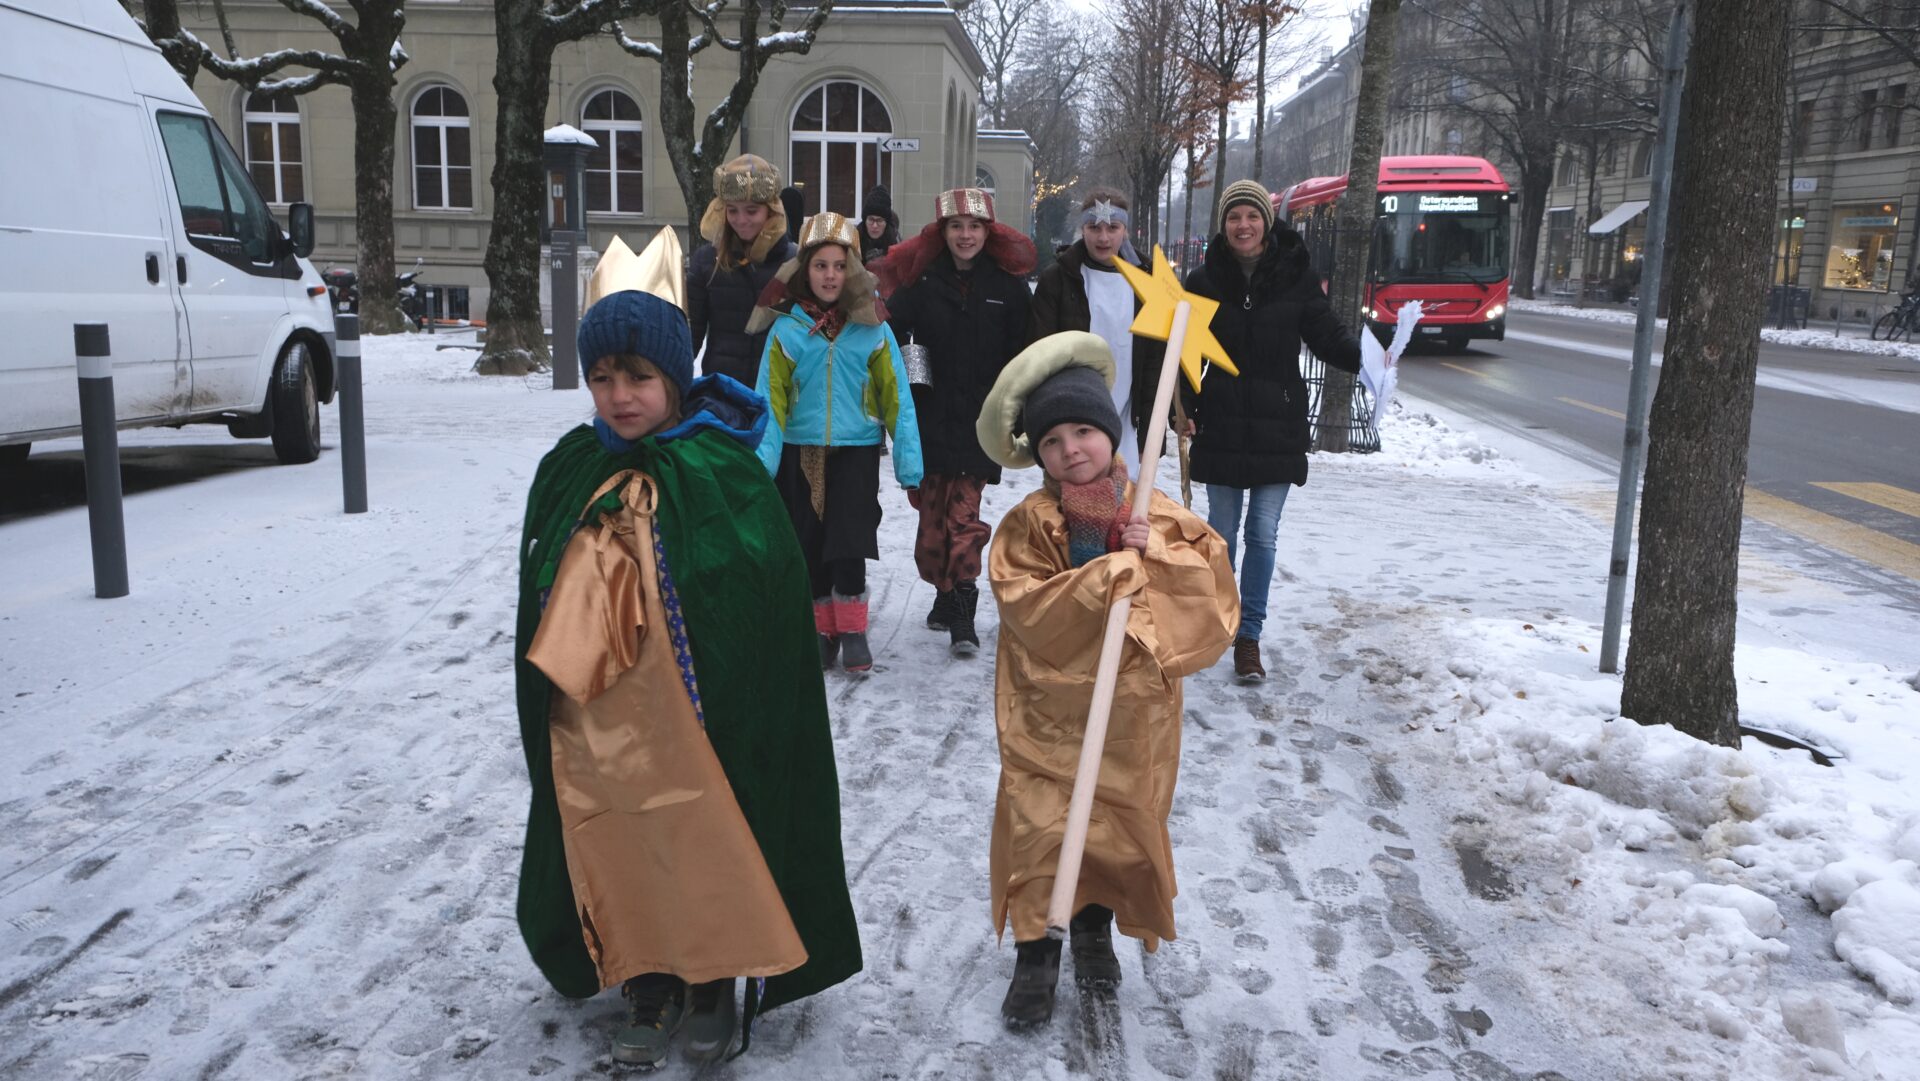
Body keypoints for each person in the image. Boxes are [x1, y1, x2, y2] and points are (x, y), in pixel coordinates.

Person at [512, 230, 862, 1069]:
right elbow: (539, 585)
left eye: (638, 378)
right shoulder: (572, 466)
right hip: (600, 717)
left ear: (674, 377)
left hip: (704, 709)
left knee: (709, 826)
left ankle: (712, 973)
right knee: (623, 832)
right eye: (603, 378)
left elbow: (756, 588)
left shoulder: (723, 471)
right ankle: (648, 973)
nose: (620, 396)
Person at [974, 332, 1238, 1028]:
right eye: (1052, 439)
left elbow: (1209, 604)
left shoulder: (1152, 511)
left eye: (1083, 430)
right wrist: (1105, 576)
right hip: (1045, 715)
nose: (1070, 449)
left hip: (1127, 716)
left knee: (1111, 828)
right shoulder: (1030, 523)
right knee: (1040, 828)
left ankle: (1090, 929)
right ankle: (1036, 954)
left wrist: (1160, 560)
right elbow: (1025, 604)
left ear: (1110, 432)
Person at [1179, 179, 1365, 684]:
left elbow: (1325, 332)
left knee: (1261, 533)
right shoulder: (1202, 280)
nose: (1243, 225)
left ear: (1266, 221)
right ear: (1224, 225)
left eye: (1252, 216)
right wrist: (1184, 405)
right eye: (1234, 217)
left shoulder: (1295, 276)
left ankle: (1249, 638)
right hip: (1219, 422)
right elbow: (1184, 351)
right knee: (1219, 535)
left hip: (1277, 424)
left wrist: (1367, 357)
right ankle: (1217, 621)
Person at [749, 212, 924, 673]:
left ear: (854, 271)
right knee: (808, 541)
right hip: (798, 448)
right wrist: (762, 464)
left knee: (850, 539)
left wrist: (910, 465)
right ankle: (822, 630)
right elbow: (770, 398)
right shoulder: (786, 329)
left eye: (839, 266)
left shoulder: (873, 329)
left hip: (857, 448)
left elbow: (897, 398)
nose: (830, 275)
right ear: (804, 269)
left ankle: (852, 628)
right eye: (820, 265)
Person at [876, 187, 1036, 655]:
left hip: (981, 424)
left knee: (964, 519)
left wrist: (1017, 414)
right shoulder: (920, 280)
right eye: (956, 226)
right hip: (928, 423)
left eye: (974, 226)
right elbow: (888, 331)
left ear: (989, 232)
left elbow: (1021, 354)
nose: (965, 236)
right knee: (932, 528)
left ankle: (963, 608)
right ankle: (944, 593)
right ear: (942, 232)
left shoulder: (1007, 287)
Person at [1029, 188, 1162, 462]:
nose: (1103, 237)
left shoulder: (1149, 282)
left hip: (1128, 417)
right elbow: (1040, 352)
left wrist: (1150, 433)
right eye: (1094, 227)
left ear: (1125, 229)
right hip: (1073, 418)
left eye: (1112, 227)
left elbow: (1155, 363)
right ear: (1083, 229)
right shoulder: (1059, 279)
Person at [686, 154, 795, 386]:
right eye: (732, 210)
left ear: (771, 211)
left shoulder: (794, 262)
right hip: (722, 392)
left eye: (752, 210)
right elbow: (690, 334)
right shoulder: (706, 261)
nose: (741, 220)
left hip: (778, 393)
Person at [860, 184, 901, 266]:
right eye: (871, 219)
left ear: (886, 222)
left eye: (879, 220)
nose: (875, 225)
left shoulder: (895, 242)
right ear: (865, 220)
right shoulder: (855, 240)